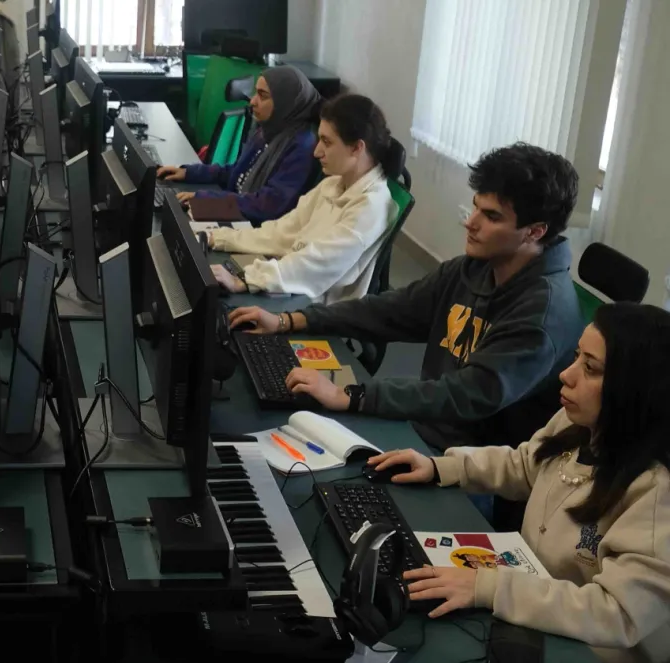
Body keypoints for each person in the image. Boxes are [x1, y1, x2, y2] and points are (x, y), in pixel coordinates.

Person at [368, 303, 670, 663]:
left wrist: (489, 588)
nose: (567, 375)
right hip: (536, 608)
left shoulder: (655, 489)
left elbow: (616, 614)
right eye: (576, 357)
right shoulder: (578, 421)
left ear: (635, 388)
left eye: (591, 368)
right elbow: (527, 464)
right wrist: (442, 467)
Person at [228, 142, 583, 451]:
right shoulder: (476, 266)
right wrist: (291, 320)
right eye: (475, 207)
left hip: (467, 464)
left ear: (535, 232)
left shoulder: (542, 312)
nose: (470, 222)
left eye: (491, 217)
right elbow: (393, 309)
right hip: (423, 428)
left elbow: (465, 395)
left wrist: (351, 395)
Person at [205, 94, 399, 303]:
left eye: (327, 142)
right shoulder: (332, 184)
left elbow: (317, 264)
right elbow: (283, 231)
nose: (317, 152)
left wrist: (246, 279)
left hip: (313, 306)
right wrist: (220, 238)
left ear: (356, 148)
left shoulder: (372, 206)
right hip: (287, 279)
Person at [156, 65, 320, 224]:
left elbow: (268, 205)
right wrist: (188, 173)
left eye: (263, 96)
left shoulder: (302, 146)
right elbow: (236, 172)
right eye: (255, 92)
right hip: (239, 214)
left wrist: (208, 200)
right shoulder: (267, 131)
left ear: (285, 103)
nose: (252, 101)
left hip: (257, 229)